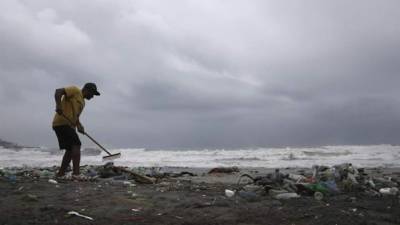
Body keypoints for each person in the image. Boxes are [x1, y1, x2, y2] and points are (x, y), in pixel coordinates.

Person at [52, 83, 100, 180]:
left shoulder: (83, 102)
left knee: (70, 150)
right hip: (62, 122)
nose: (92, 96)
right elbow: (58, 91)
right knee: (76, 144)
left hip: (69, 125)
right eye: (92, 93)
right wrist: (58, 105)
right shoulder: (75, 90)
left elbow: (76, 117)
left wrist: (79, 126)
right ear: (87, 90)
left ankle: (60, 174)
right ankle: (76, 174)